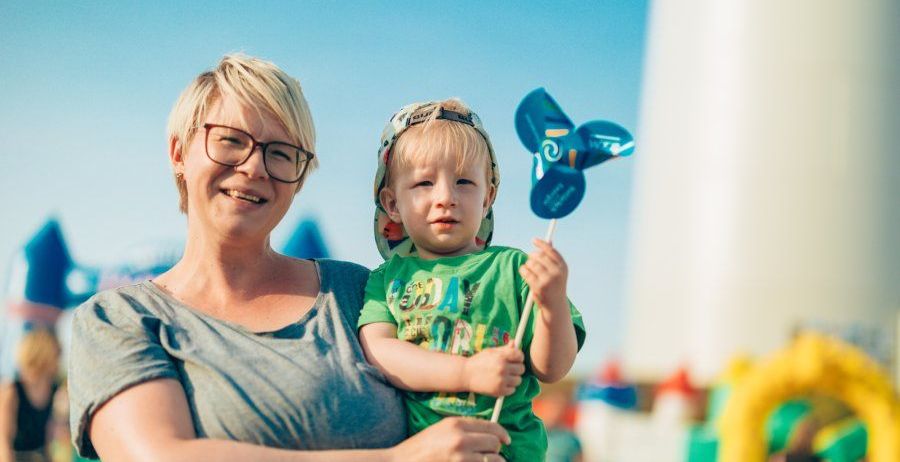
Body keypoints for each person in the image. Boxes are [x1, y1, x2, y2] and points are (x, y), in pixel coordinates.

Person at [66, 54, 511, 462]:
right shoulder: (120, 319)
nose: (254, 167)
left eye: (280, 153)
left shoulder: (361, 292)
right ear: (179, 152)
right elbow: (160, 455)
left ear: (298, 179)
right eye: (230, 141)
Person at [358, 99, 586, 461]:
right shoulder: (386, 280)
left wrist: (552, 303)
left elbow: (552, 369)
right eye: (423, 183)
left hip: (508, 450)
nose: (445, 198)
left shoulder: (514, 269)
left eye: (464, 181)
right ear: (393, 204)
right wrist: (467, 373)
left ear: (488, 197)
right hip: (424, 451)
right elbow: (381, 354)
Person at [0, 329, 62, 462]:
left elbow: (46, 438)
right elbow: (3, 441)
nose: (59, 359)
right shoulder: (13, 390)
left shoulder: (52, 388)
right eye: (57, 354)